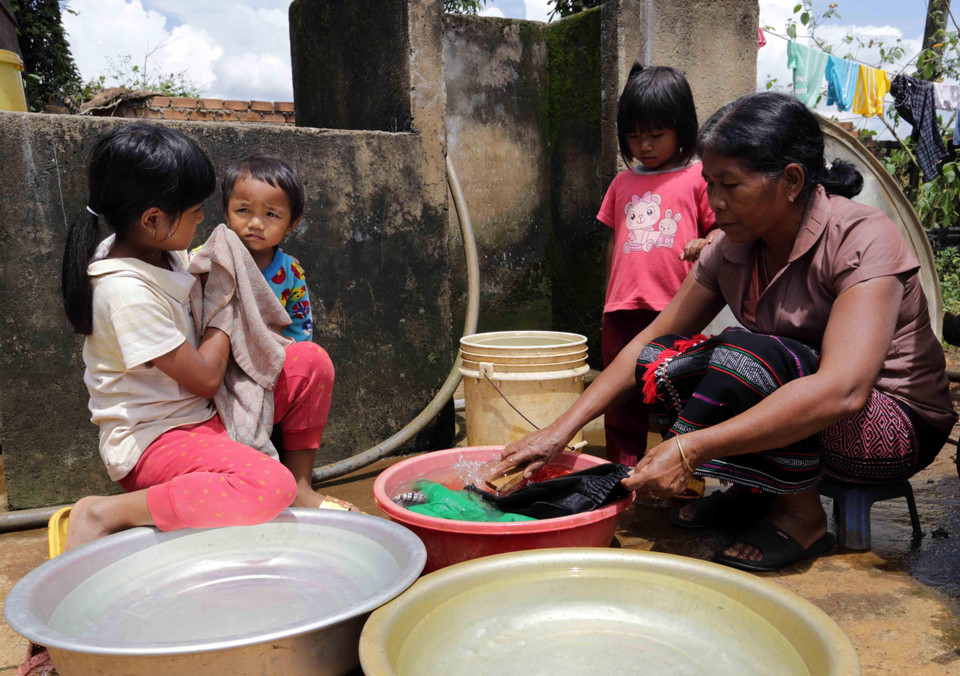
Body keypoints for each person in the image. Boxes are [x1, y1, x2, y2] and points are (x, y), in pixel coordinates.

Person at [496, 92, 956, 572]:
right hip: (810, 411)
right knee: (666, 362)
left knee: (744, 356)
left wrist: (689, 448)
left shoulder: (861, 236)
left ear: (792, 181)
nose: (715, 202)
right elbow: (649, 341)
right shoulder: (733, 245)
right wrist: (559, 431)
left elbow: (843, 390)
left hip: (890, 426)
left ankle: (801, 518)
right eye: (709, 183)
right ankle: (756, 491)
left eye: (730, 186)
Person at [59, 123, 339, 550]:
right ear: (153, 219)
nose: (203, 218)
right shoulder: (126, 292)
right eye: (193, 211)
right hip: (157, 438)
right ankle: (105, 512)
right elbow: (207, 377)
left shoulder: (156, 248)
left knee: (308, 361)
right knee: (268, 487)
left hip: (204, 413)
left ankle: (302, 483)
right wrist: (226, 302)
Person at [598, 63, 717, 467]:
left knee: (677, 393)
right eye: (634, 136)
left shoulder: (700, 177)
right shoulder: (622, 183)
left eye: (654, 135)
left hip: (675, 309)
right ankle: (622, 471)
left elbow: (721, 231)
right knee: (619, 397)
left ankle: (679, 468)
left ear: (682, 128)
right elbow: (617, 244)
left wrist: (706, 242)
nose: (643, 145)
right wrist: (609, 298)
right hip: (621, 310)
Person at [220, 154, 314, 342]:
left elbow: (300, 323)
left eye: (271, 214)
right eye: (244, 210)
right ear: (226, 212)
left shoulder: (290, 273)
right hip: (218, 356)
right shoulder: (210, 260)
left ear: (292, 224)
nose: (255, 223)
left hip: (271, 357)